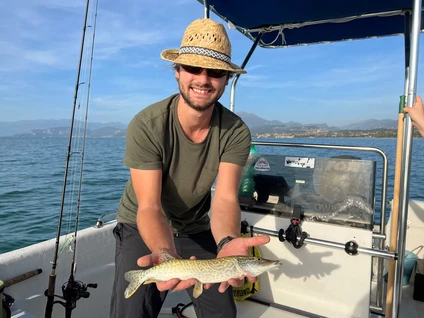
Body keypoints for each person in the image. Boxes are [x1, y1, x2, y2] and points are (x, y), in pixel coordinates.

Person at [110, 18, 271, 318]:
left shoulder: (236, 132)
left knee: (222, 312)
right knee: (132, 313)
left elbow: (224, 199)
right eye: (194, 68)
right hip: (140, 223)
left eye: (215, 72)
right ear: (178, 72)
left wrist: (226, 242)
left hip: (195, 226)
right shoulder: (147, 125)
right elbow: (149, 207)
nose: (203, 79)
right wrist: (165, 256)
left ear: (226, 79)